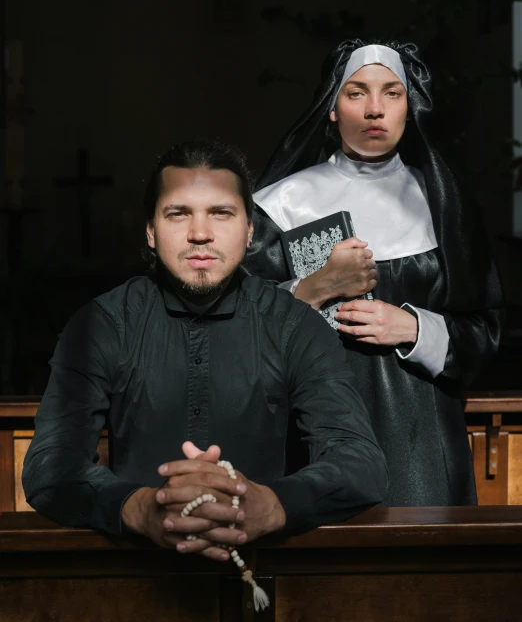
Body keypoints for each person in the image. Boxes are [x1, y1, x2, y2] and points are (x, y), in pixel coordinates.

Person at [23, 139, 388, 564]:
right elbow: (49, 467)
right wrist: (138, 508)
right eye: (178, 214)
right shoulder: (101, 325)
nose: (200, 233)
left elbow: (360, 462)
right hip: (135, 578)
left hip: (269, 576)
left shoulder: (295, 325)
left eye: (221, 213)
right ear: (150, 231)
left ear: (250, 230)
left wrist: (273, 504)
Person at [247, 40, 503, 506]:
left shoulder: (444, 206)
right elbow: (236, 333)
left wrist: (415, 328)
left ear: (410, 107)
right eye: (356, 93)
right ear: (331, 108)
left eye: (391, 93)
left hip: (424, 443)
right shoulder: (282, 205)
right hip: (312, 438)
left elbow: (485, 332)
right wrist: (313, 287)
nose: (374, 110)